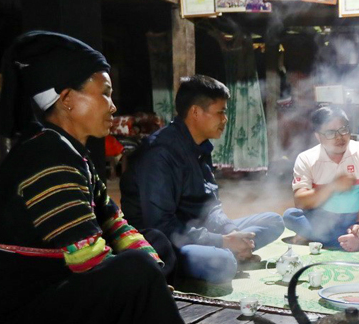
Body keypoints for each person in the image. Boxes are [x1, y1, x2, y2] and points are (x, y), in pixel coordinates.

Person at [0, 31, 186, 324]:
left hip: (57, 283)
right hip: (19, 311)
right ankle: (122, 322)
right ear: (68, 98)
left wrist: (150, 275)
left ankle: (126, 315)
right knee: (136, 267)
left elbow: (114, 222)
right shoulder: (47, 157)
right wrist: (144, 283)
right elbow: (87, 258)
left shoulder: (70, 151)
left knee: (155, 242)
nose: (113, 106)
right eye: (105, 94)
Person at [120, 75, 284, 284]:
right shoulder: (160, 154)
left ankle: (235, 252)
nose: (225, 119)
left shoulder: (201, 147)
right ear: (196, 112)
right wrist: (222, 241)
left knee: (273, 221)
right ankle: (229, 257)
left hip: (198, 231)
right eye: (220, 112)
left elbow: (211, 206)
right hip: (164, 242)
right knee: (223, 263)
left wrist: (230, 231)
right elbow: (161, 226)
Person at [283, 106, 359, 251]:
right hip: (322, 219)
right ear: (318, 136)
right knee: (290, 216)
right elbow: (300, 201)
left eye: (343, 130)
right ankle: (354, 240)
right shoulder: (306, 158)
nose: (339, 137)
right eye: (330, 133)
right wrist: (332, 186)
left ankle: (321, 237)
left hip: (356, 217)